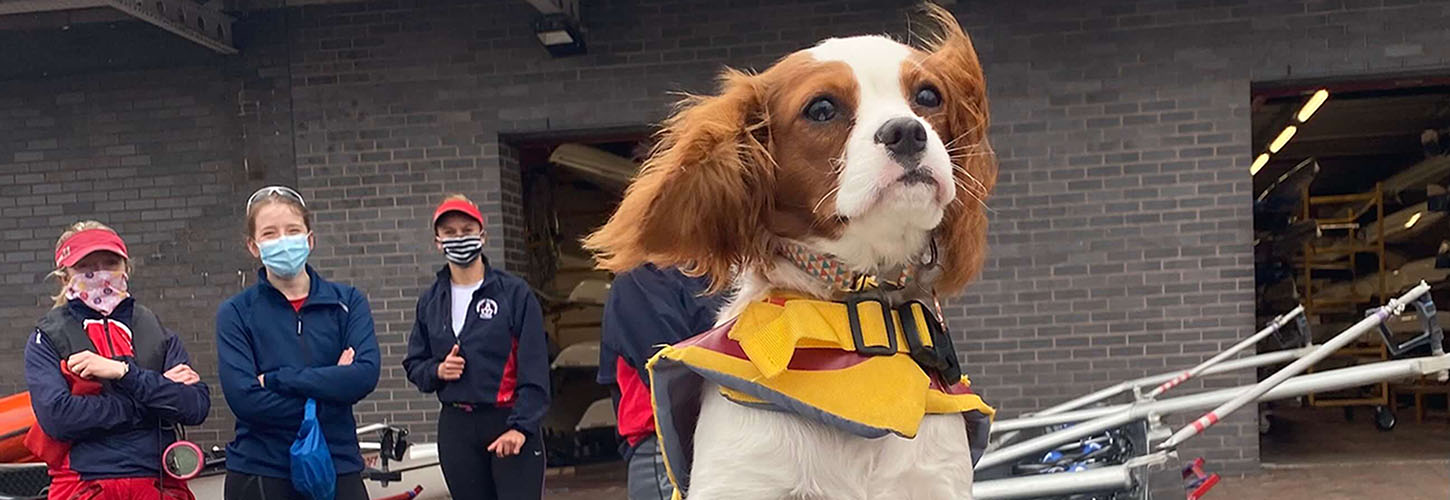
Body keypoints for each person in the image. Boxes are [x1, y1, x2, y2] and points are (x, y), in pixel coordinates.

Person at [24, 221, 210, 499]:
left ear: (126, 269)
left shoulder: (155, 330)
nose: (100, 274)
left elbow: (194, 406)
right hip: (84, 484)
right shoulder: (47, 337)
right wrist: (150, 397)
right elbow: (58, 419)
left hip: (158, 482)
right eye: (86, 267)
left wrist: (123, 372)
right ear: (64, 278)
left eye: (110, 263)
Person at [215, 186, 381, 500]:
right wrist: (333, 387)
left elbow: (363, 376)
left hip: (337, 465)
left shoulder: (347, 302)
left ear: (310, 239)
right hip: (262, 470)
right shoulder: (236, 313)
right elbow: (245, 400)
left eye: (292, 231)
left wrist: (277, 379)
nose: (283, 241)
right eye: (270, 233)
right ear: (253, 246)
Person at [402, 194, 550, 500]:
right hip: (457, 426)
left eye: (467, 230)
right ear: (438, 242)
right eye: (450, 232)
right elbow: (415, 364)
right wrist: (438, 370)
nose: (459, 238)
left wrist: (521, 427)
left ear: (482, 235)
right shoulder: (431, 301)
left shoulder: (514, 293)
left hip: (507, 419)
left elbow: (535, 367)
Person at [597, 264, 725, 500]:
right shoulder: (640, 280)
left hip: (705, 439)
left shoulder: (644, 279)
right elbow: (672, 373)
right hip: (672, 443)